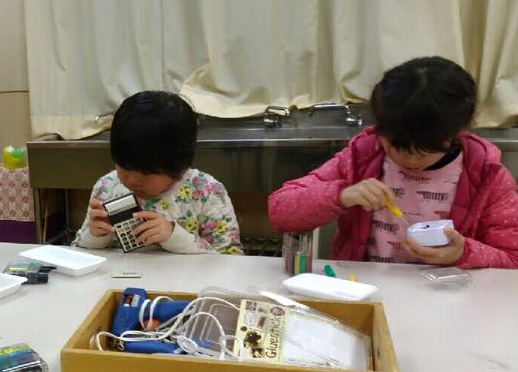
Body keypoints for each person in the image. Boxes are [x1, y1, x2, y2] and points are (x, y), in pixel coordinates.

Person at [269, 57, 518, 268]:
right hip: (367, 289)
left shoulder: (486, 174)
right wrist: (342, 195)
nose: (407, 159)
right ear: (381, 127)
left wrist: (463, 253)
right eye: (395, 146)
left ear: (454, 134)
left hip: (447, 297)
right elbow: (280, 211)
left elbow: (512, 258)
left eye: (422, 152)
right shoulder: (362, 157)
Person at [73, 91, 242, 254]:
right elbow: (77, 251)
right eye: (124, 166)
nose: (132, 180)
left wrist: (173, 236)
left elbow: (231, 257)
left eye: (146, 173)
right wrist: (95, 236)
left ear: (180, 166)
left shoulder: (207, 192)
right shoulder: (107, 187)